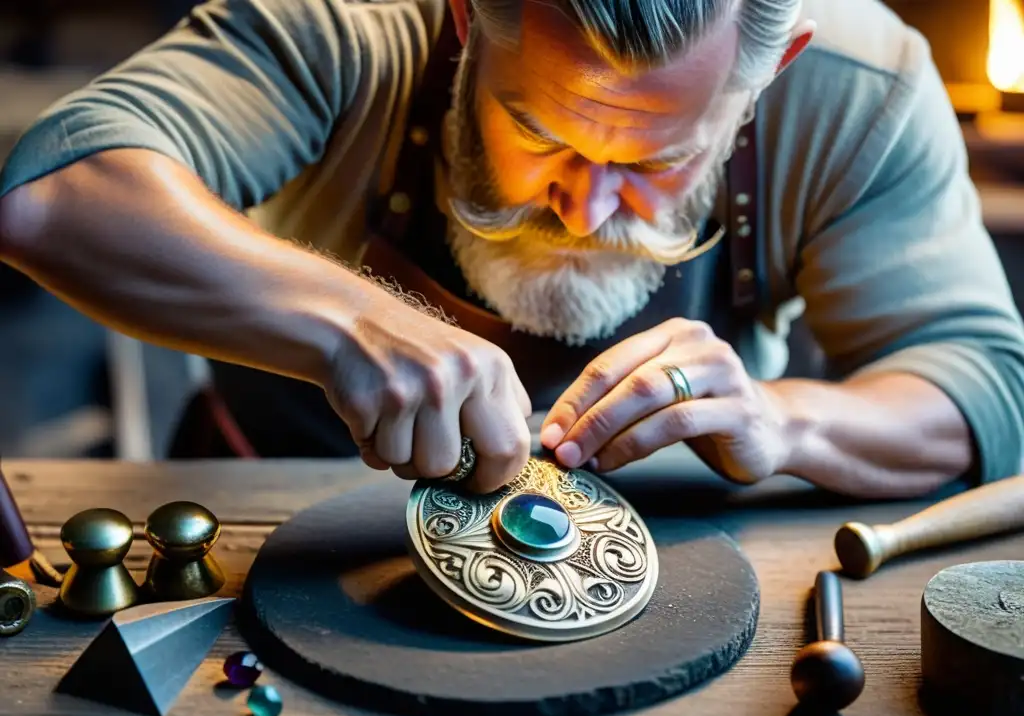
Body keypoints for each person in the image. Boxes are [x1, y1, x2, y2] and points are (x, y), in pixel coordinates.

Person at [1, 0, 1023, 499]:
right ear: (462, 14)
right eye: (539, 132)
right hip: (284, 529)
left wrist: (786, 423)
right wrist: (350, 319)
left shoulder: (857, 86)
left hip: (674, 563)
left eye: (657, 160)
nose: (583, 210)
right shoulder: (347, 23)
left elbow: (985, 387)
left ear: (772, 73)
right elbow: (51, 189)